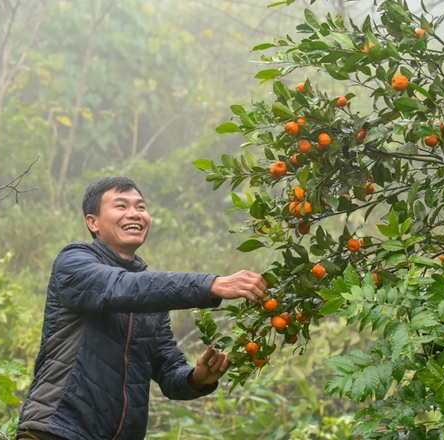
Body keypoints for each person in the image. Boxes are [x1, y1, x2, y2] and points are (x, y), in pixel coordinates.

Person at [16, 177, 267, 440]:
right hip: (56, 432)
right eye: (121, 206)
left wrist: (197, 378)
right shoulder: (74, 262)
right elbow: (118, 288)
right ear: (93, 222)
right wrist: (210, 285)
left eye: (141, 207)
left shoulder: (150, 299)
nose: (134, 213)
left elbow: (169, 372)